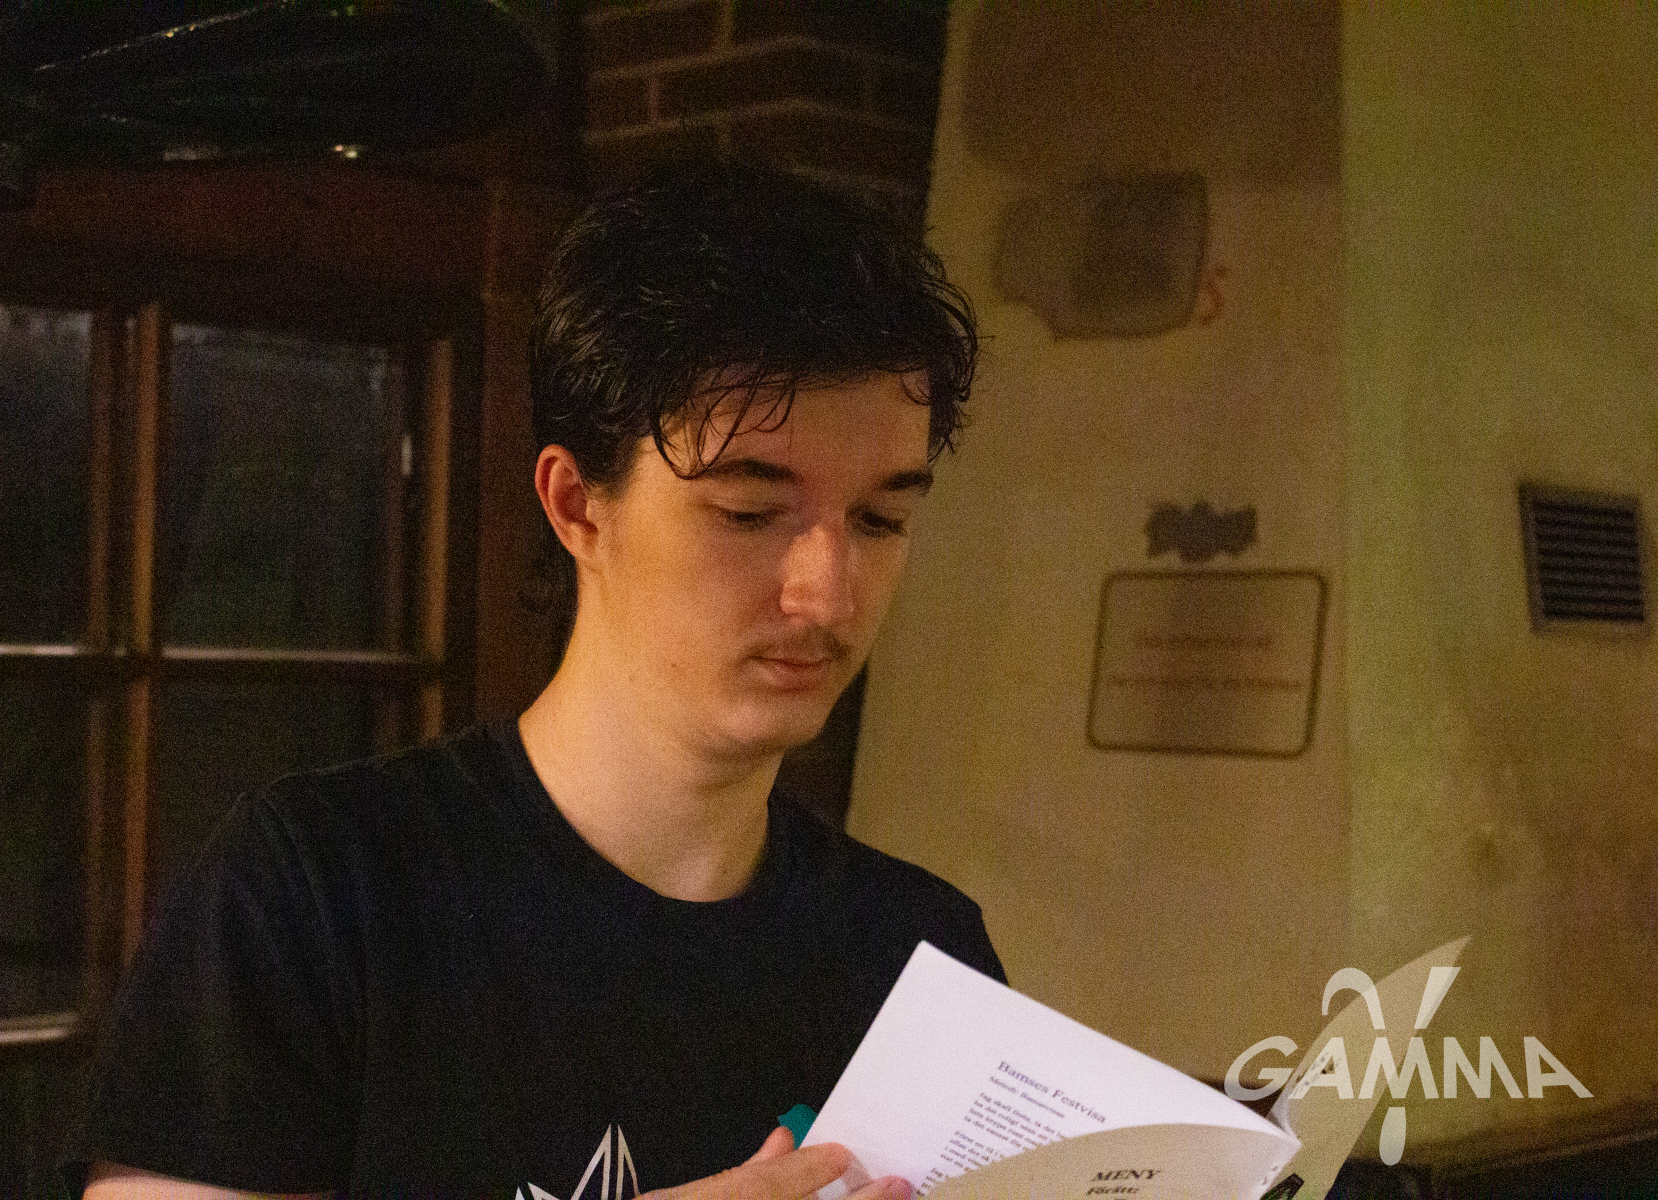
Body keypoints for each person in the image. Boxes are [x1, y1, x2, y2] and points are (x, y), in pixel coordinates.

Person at [69, 164, 1002, 1200]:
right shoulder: (319, 892)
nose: (828, 594)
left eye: (880, 519)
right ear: (577, 505)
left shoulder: (921, 961)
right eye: (748, 513)